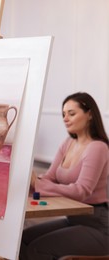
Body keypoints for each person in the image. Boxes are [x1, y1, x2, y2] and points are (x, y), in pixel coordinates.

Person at [20, 92, 109, 259]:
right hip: (73, 219)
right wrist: (34, 181)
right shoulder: (68, 143)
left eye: (72, 113)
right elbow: (50, 176)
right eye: (63, 114)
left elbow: (82, 190)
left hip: (96, 226)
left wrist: (39, 185)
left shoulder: (98, 147)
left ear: (89, 114)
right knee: (22, 240)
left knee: (37, 249)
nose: (65, 118)